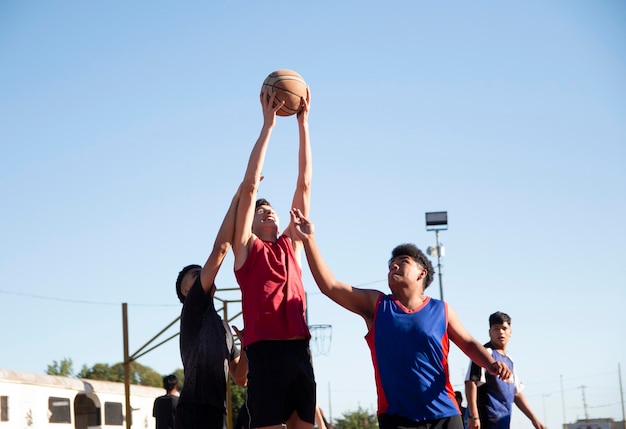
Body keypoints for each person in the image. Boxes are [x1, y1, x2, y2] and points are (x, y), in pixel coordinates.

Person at [290, 209, 512, 429]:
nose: (393, 266)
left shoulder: (441, 310)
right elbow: (330, 286)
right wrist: (309, 240)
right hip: (396, 418)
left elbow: (469, 343)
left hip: (444, 415)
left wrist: (491, 364)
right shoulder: (377, 305)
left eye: (402, 261)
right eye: (390, 265)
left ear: (421, 273)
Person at [232, 88, 315, 429]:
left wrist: (303, 124)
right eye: (260, 210)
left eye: (271, 209)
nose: (267, 211)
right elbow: (250, 188)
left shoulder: (291, 246)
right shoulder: (246, 250)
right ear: (249, 220)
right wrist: (268, 126)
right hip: (264, 352)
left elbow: (305, 184)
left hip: (299, 352)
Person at [174, 185, 248, 429]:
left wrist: (248, 347)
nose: (202, 276)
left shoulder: (224, 328)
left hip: (218, 414)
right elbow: (221, 250)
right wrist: (238, 201)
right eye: (195, 276)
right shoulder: (193, 310)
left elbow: (240, 378)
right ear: (187, 292)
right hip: (192, 413)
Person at [464, 311, 544, 429]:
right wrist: (474, 416)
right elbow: (471, 382)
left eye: (504, 328)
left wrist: (534, 419)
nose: (501, 332)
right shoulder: (485, 353)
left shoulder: (510, 361)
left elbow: (516, 393)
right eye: (496, 328)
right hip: (485, 420)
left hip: (503, 421)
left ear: (510, 332)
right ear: (489, 332)